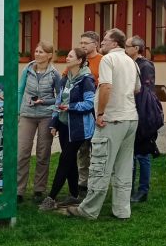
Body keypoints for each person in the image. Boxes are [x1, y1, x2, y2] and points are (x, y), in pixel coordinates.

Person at [58, 28, 138, 220]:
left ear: (115, 43)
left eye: (105, 39)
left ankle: (89, 210)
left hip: (111, 118)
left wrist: (100, 113)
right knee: (124, 167)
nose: (102, 42)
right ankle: (121, 210)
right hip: (130, 118)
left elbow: (106, 86)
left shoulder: (108, 60)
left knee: (100, 165)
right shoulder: (131, 61)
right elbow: (137, 89)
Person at [39, 47, 96, 211]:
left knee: (64, 160)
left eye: (70, 56)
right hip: (64, 126)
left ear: (79, 60)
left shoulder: (86, 80)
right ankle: (74, 195)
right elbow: (58, 102)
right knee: (69, 161)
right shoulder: (65, 78)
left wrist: (70, 107)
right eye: (67, 55)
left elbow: (90, 103)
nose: (67, 57)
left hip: (78, 129)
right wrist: (54, 123)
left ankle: (51, 198)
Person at [17, 41, 62, 203]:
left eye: (41, 52)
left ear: (49, 55)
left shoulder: (54, 74)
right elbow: (20, 90)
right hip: (27, 114)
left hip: (46, 116)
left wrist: (45, 102)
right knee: (22, 152)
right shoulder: (27, 69)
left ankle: (39, 189)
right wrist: (18, 111)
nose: (37, 54)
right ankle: (18, 190)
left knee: (43, 153)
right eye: (36, 51)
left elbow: (59, 98)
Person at [126, 35, 162, 203]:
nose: (125, 49)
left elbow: (144, 92)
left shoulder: (145, 65)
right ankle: (129, 188)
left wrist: (141, 117)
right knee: (132, 154)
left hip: (144, 115)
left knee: (143, 155)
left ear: (136, 49)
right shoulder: (130, 63)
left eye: (127, 46)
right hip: (132, 112)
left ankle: (143, 190)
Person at [76, 31, 102, 196]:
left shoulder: (102, 61)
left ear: (95, 44)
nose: (83, 46)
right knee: (82, 149)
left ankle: (96, 182)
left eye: (86, 43)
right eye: (81, 43)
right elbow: (67, 77)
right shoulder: (79, 60)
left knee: (97, 148)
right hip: (80, 110)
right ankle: (82, 182)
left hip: (96, 109)